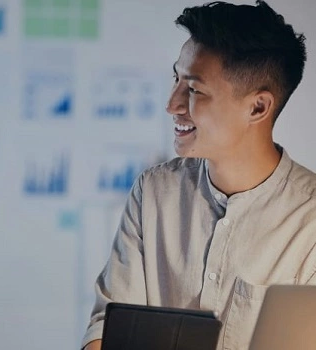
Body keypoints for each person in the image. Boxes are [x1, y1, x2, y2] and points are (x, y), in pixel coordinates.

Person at [82, 1, 316, 349]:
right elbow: (105, 328)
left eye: (193, 89)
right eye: (176, 79)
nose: (172, 104)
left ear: (257, 107)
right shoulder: (154, 191)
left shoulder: (309, 220)